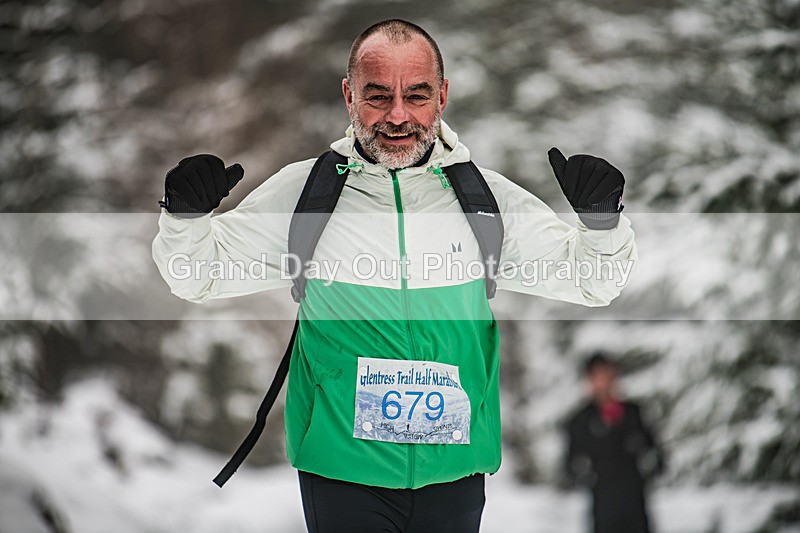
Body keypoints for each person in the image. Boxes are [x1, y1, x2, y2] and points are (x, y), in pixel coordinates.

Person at [152, 19, 637, 533]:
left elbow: (593, 281)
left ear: (443, 96)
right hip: (343, 472)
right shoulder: (309, 196)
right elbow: (196, 276)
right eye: (378, 96)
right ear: (349, 95)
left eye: (417, 95)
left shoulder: (482, 201)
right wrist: (185, 218)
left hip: (453, 471)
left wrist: (603, 222)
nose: (398, 116)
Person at [563, 352, 665, 533]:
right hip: (603, 507)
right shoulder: (580, 422)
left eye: (606, 374)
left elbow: (657, 456)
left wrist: (647, 465)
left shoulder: (634, 413)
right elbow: (570, 466)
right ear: (588, 381)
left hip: (635, 505)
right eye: (596, 376)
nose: (603, 382)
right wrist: (586, 473)